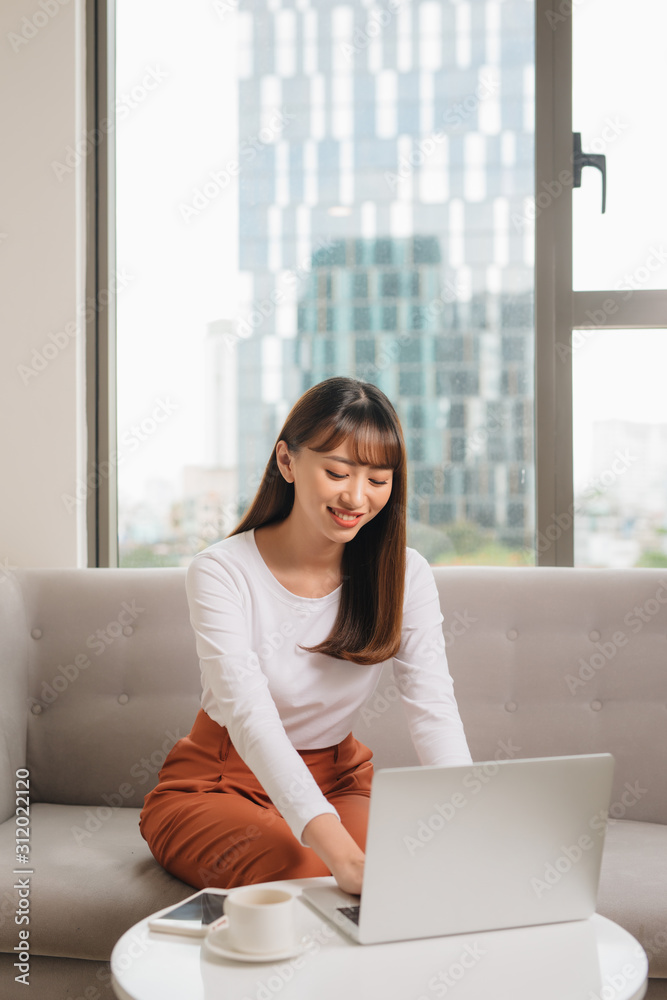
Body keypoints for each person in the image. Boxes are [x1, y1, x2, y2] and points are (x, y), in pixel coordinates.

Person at [139, 376, 472, 895]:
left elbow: (433, 705)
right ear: (287, 462)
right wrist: (339, 854)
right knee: (305, 870)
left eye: (379, 480)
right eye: (337, 472)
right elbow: (250, 717)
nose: (356, 497)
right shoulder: (221, 571)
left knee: (418, 872)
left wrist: (472, 819)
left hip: (338, 779)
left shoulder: (405, 574)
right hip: (223, 778)